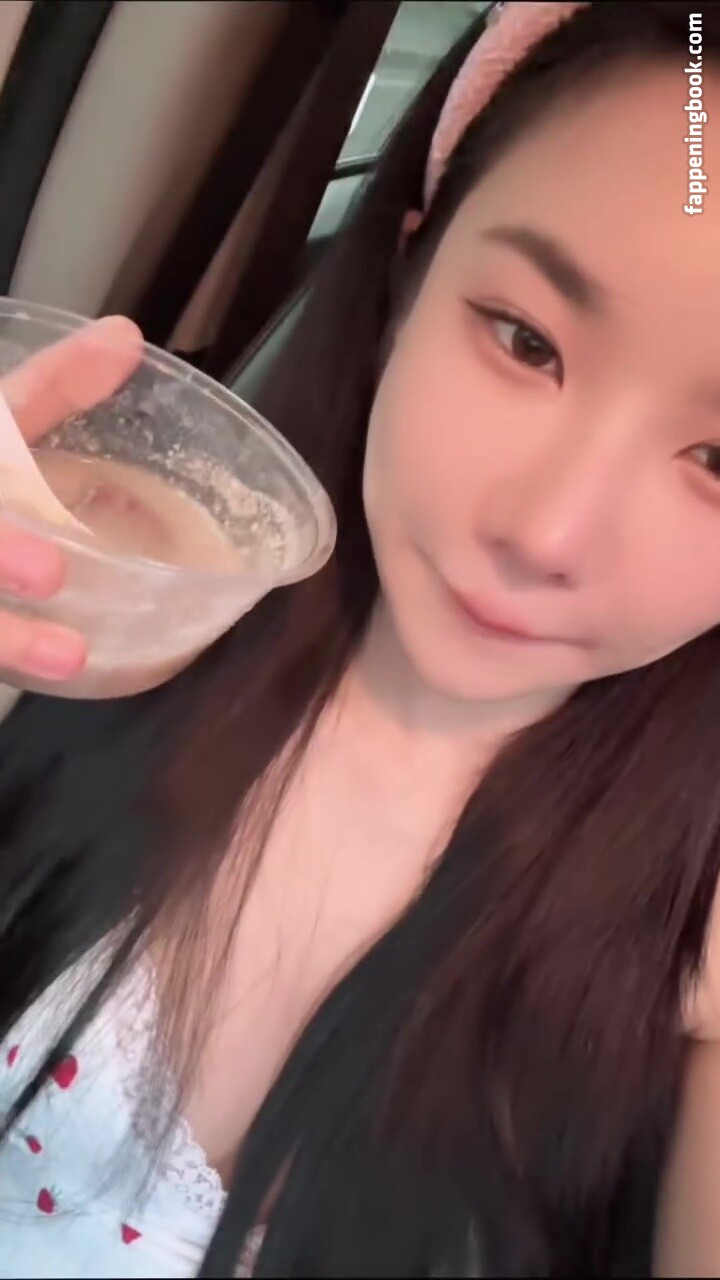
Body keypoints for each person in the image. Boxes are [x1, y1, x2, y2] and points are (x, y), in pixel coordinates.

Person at [0, 1, 718, 1274]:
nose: (545, 531)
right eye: (525, 341)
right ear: (406, 277)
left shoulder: (688, 942)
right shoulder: (118, 602)